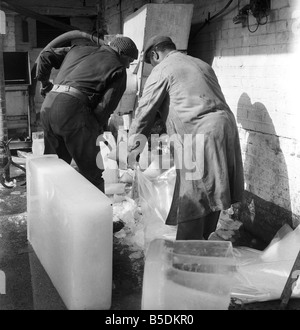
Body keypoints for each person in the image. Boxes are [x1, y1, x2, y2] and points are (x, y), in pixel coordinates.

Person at [127, 35, 244, 240]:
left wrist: (128, 153)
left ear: (155, 54)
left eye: (151, 61)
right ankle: (201, 243)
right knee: (212, 190)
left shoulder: (162, 69)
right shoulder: (202, 64)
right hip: (225, 129)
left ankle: (185, 255)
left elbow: (144, 113)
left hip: (199, 133)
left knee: (193, 196)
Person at [36, 36, 139, 193]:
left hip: (48, 106)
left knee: (54, 166)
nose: (128, 66)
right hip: (72, 110)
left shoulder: (78, 49)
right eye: (129, 60)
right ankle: (96, 216)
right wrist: (95, 132)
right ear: (121, 53)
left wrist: (44, 83)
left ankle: (53, 211)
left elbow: (45, 55)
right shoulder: (118, 69)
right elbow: (104, 108)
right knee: (92, 173)